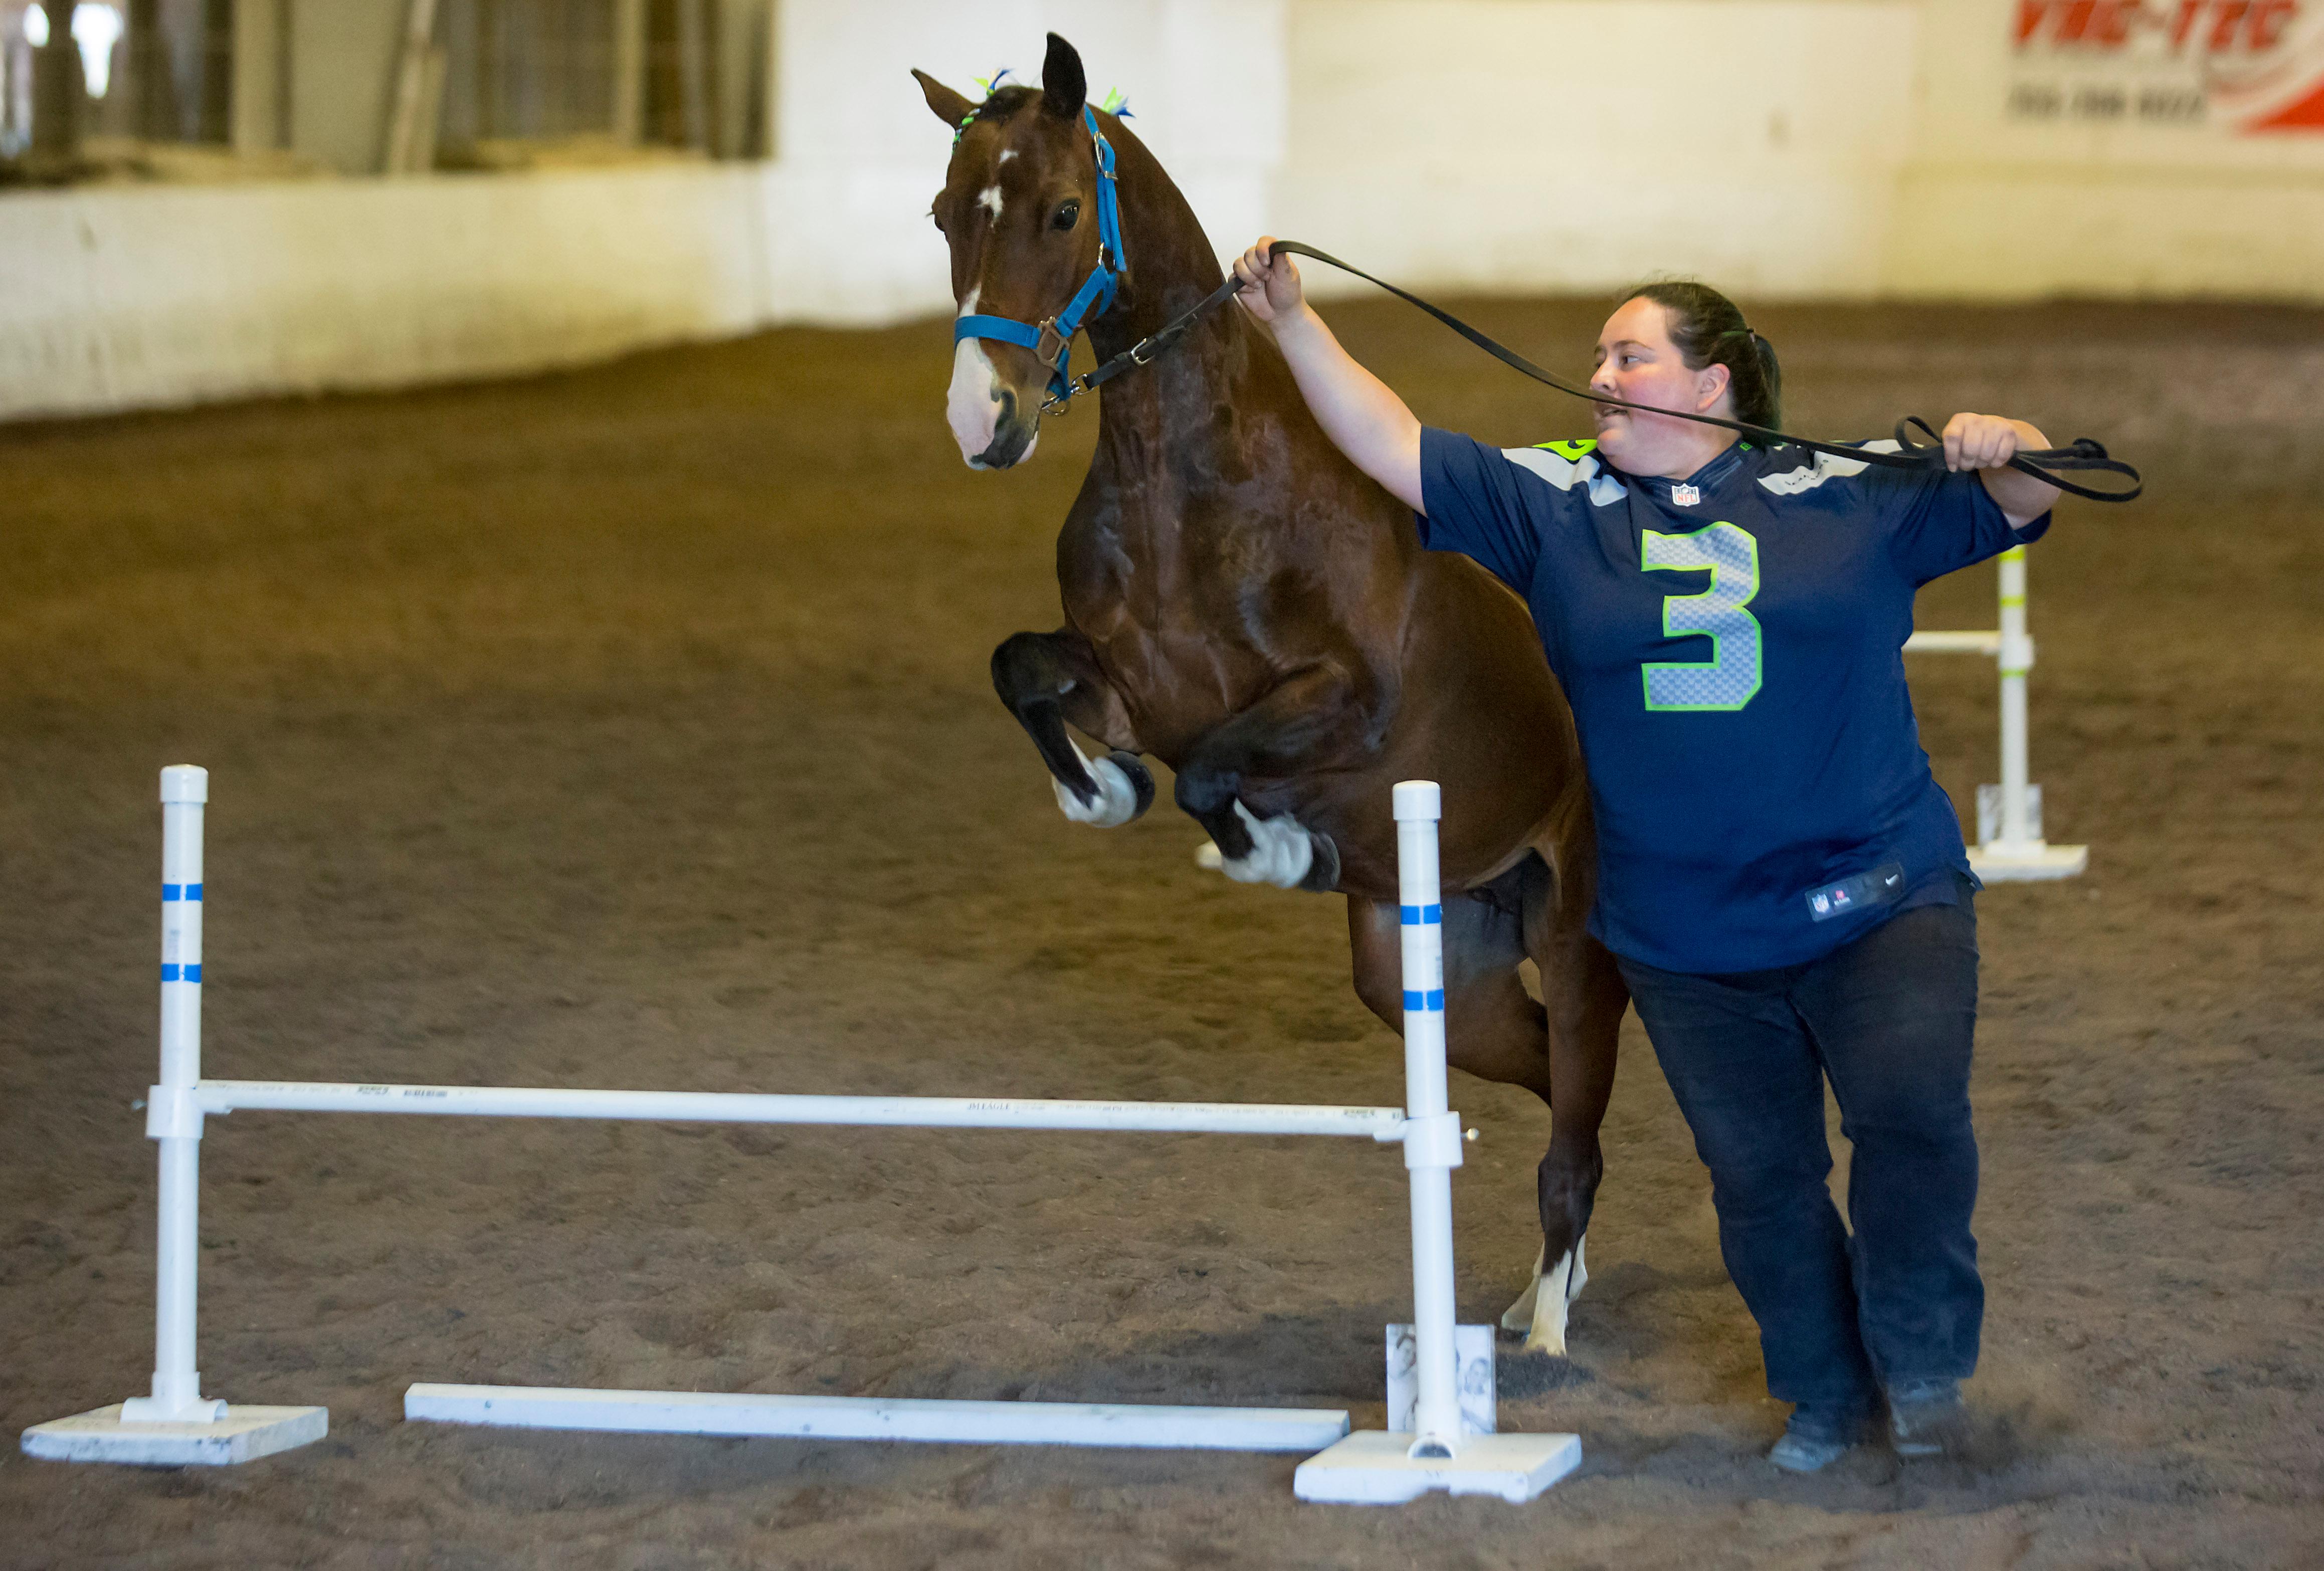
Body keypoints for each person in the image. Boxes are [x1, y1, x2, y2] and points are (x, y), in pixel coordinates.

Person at [1231, 238, 2059, 1472]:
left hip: (1880, 898)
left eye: (1629, 355)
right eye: (1599, 356)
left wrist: (2010, 440)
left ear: (1710, 382)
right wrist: (1293, 322)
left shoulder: (1846, 494)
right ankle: (1824, 1395)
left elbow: (2025, 499)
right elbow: (1391, 442)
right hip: (1681, 934)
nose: (1599, 375)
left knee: (1910, 1127)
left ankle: (1925, 1368)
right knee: (1760, 1181)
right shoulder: (1553, 506)